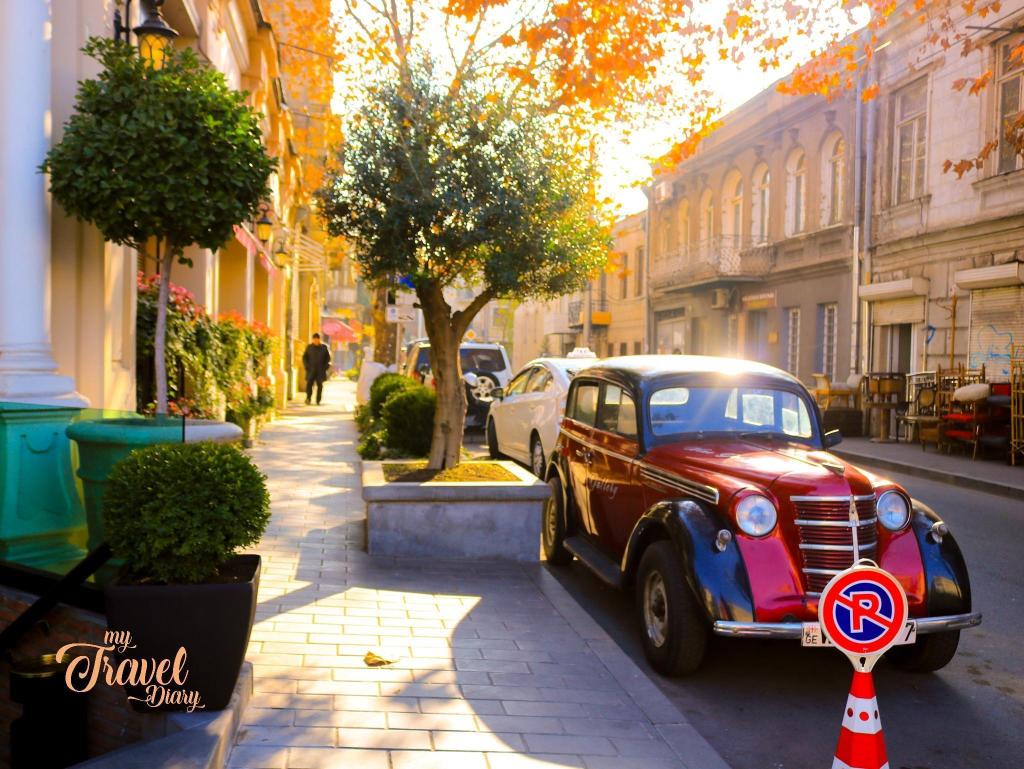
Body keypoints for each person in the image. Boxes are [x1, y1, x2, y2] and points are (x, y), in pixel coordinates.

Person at [302, 333, 331, 405]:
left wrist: (325, 367)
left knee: (320, 385)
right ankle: (308, 398)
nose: (315, 341)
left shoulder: (324, 347)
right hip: (311, 369)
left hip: (320, 370)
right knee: (309, 384)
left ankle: (318, 400)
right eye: (314, 339)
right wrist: (306, 366)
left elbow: (328, 358)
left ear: (319, 339)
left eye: (317, 339)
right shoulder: (309, 347)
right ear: (312, 339)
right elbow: (304, 357)